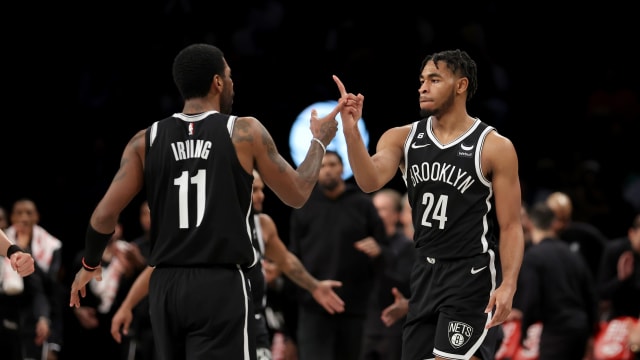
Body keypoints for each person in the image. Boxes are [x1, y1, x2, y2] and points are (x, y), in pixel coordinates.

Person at [69, 43, 342, 360]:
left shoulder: (145, 140)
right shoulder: (243, 131)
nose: (232, 82)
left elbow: (104, 215)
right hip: (219, 284)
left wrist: (89, 264)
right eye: (229, 75)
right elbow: (297, 194)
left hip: (166, 286)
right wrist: (320, 142)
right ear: (217, 82)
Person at [334, 48, 525, 360]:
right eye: (422, 80)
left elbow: (511, 225)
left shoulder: (494, 146)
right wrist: (352, 132)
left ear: (460, 85)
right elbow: (369, 181)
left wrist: (509, 284)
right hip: (424, 271)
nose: (423, 87)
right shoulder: (402, 137)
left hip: (471, 272)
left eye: (434, 79)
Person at [288, 150, 388, 360]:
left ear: (343, 168)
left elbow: (385, 248)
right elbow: (293, 255)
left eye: (333, 165)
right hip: (313, 306)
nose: (328, 171)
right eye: (322, 166)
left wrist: (378, 249)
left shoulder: (362, 204)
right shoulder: (304, 206)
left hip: (354, 305)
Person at [513, 202, 599, 359]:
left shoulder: (533, 257)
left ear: (530, 223)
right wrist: (592, 333)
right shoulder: (572, 254)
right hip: (581, 327)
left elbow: (530, 298)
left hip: (556, 330)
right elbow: (591, 295)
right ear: (553, 223)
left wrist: (524, 329)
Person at [361, 188, 416, 360]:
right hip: (366, 327)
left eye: (382, 209)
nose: (377, 215)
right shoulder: (365, 243)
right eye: (374, 209)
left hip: (394, 329)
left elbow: (404, 284)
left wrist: (380, 257)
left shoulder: (406, 246)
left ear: (396, 215)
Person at [5, 198, 63, 360]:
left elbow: (50, 285)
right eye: (19, 213)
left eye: (29, 213)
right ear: (12, 217)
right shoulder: (5, 240)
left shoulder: (52, 245)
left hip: (43, 312)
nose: (24, 218)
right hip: (10, 312)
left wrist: (25, 253)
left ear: (36, 217)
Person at [546, 191, 608, 279]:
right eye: (556, 218)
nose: (560, 225)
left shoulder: (586, 234)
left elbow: (607, 253)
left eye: (563, 219)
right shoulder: (542, 240)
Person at [596, 213, 640, 321]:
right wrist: (621, 279)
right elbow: (601, 292)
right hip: (620, 316)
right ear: (631, 233)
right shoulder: (615, 250)